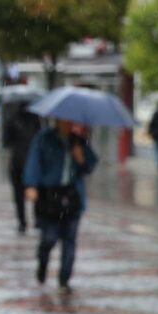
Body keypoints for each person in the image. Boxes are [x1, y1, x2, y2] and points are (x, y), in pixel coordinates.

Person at [23, 118, 98, 293]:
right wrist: (31, 185)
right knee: (49, 238)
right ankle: (43, 262)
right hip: (49, 196)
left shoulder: (78, 140)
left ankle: (64, 279)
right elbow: (33, 163)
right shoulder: (43, 138)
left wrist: (81, 158)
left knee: (69, 239)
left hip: (72, 196)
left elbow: (90, 164)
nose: (67, 123)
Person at [2, 103, 42, 234]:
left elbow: (6, 142)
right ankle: (37, 220)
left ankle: (22, 222)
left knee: (19, 194)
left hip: (17, 161)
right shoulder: (36, 120)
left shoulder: (12, 119)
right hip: (33, 161)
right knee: (36, 190)